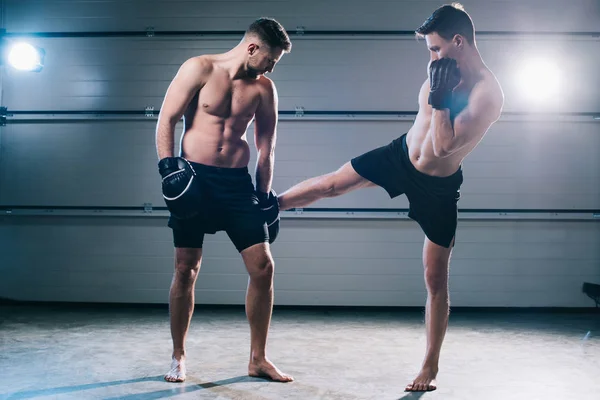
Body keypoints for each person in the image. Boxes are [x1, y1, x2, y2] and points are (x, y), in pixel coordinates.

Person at [277, 3, 504, 392]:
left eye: (435, 48)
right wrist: (438, 88)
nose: (431, 56)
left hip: (438, 186)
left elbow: (445, 145)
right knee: (335, 182)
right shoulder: (439, 71)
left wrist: (442, 97)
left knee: (435, 278)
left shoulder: (487, 93)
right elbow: (423, 128)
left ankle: (429, 368)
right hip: (401, 156)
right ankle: (269, 205)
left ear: (459, 41)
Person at [155, 17, 293, 383]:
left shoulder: (264, 89)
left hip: (236, 185)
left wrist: (264, 195)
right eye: (271, 59)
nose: (271, 66)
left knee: (263, 267)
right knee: (186, 268)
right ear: (252, 47)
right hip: (194, 180)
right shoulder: (199, 68)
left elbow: (267, 147)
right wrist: (168, 169)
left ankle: (258, 359)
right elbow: (167, 119)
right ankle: (178, 356)